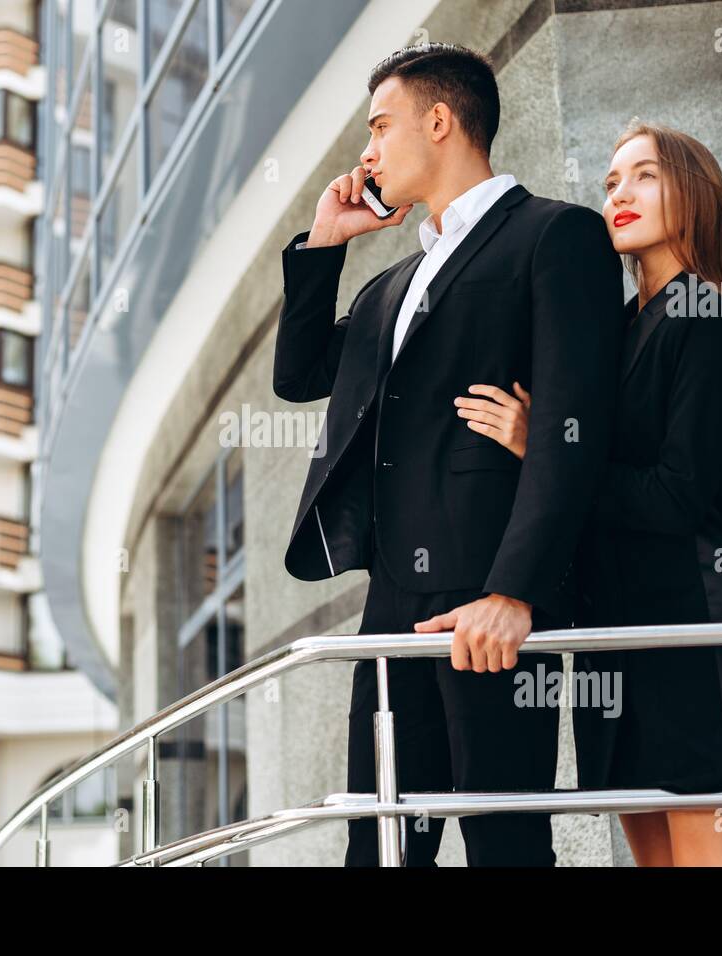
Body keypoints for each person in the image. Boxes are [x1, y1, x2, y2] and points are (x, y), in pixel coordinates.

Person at [271, 42, 625, 866]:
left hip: (485, 604)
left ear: (440, 120)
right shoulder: (391, 283)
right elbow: (300, 376)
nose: (367, 151)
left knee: (505, 844)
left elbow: (573, 429)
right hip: (390, 610)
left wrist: (516, 592)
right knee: (383, 848)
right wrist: (327, 240)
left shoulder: (556, 235)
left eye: (380, 126)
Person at [454, 120, 722, 866]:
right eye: (609, 183)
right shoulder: (619, 327)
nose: (620, 194)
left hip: (698, 632)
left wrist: (545, 453)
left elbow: (674, 497)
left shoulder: (706, 312)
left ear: (692, 193)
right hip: (619, 641)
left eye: (644, 176)